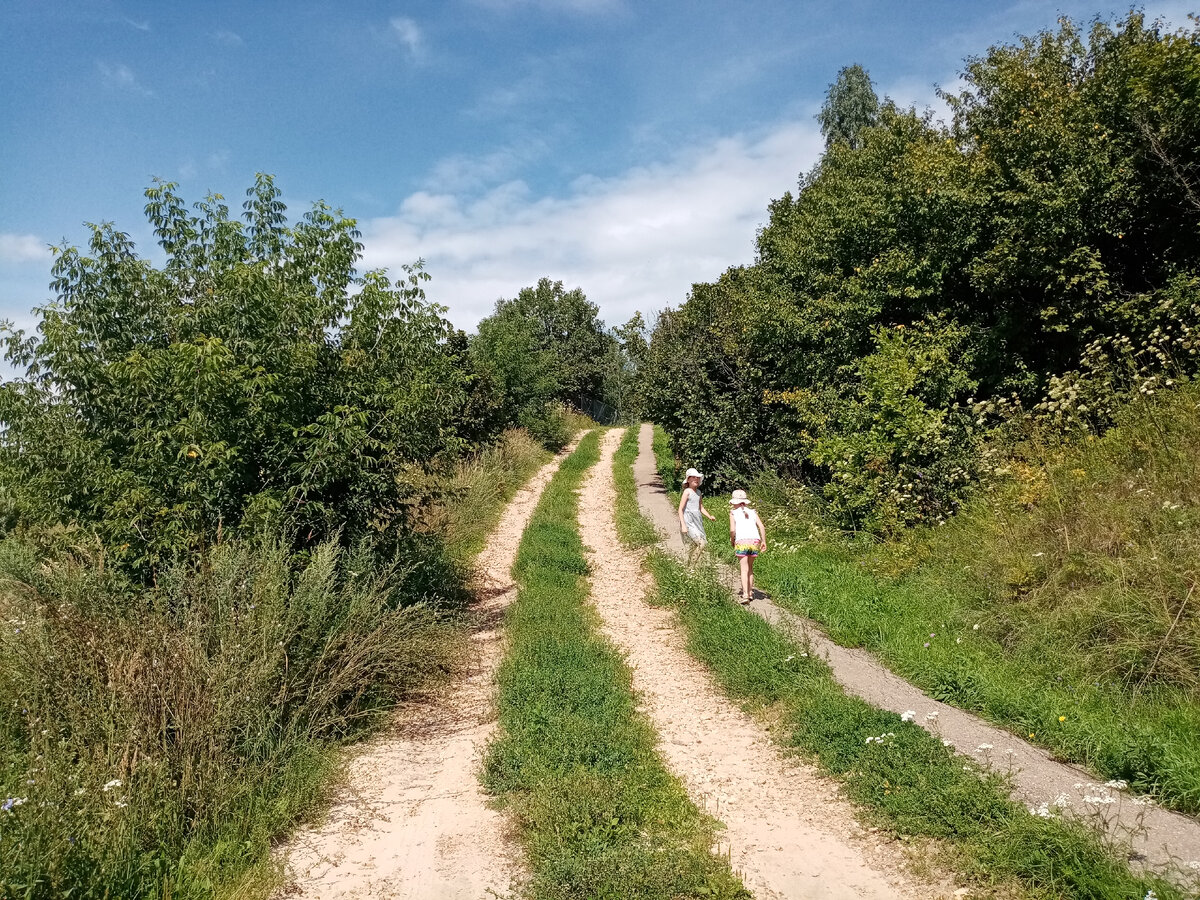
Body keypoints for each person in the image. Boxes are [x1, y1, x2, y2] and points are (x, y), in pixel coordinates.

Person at [729, 489, 766, 604]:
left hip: (742, 541)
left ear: (735, 502)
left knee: (743, 569)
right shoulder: (753, 512)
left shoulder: (733, 513)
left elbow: (732, 529)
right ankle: (750, 593)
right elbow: (761, 526)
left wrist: (732, 539)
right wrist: (764, 541)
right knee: (750, 568)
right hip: (755, 541)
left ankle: (745, 594)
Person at [677, 467, 716, 564]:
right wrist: (683, 525)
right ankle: (691, 567)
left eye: (697, 477)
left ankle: (689, 565)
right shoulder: (687, 492)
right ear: (688, 480)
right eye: (693, 477)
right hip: (688, 522)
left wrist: (709, 516)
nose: (696, 479)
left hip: (697, 521)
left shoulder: (698, 493)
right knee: (701, 543)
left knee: (694, 546)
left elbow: (701, 507)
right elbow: (680, 509)